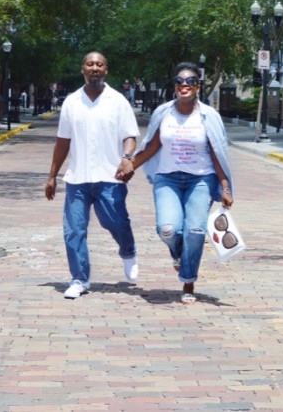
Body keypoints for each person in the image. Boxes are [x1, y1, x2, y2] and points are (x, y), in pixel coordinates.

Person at [128, 62, 234, 304]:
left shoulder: (209, 116)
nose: (184, 85)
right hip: (168, 178)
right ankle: (178, 254)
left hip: (201, 179)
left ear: (198, 86)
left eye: (190, 81)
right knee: (168, 229)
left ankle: (188, 281)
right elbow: (152, 145)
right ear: (174, 85)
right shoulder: (163, 113)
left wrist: (225, 186)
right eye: (179, 81)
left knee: (195, 230)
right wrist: (129, 166)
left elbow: (218, 152)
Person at [45, 51, 140, 299]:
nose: (95, 68)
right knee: (74, 230)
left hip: (111, 177)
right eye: (90, 64)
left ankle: (128, 250)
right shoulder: (71, 102)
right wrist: (52, 175)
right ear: (83, 69)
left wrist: (127, 158)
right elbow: (63, 141)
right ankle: (79, 279)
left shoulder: (118, 101)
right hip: (78, 178)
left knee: (115, 222)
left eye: (99, 64)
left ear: (106, 70)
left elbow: (130, 136)